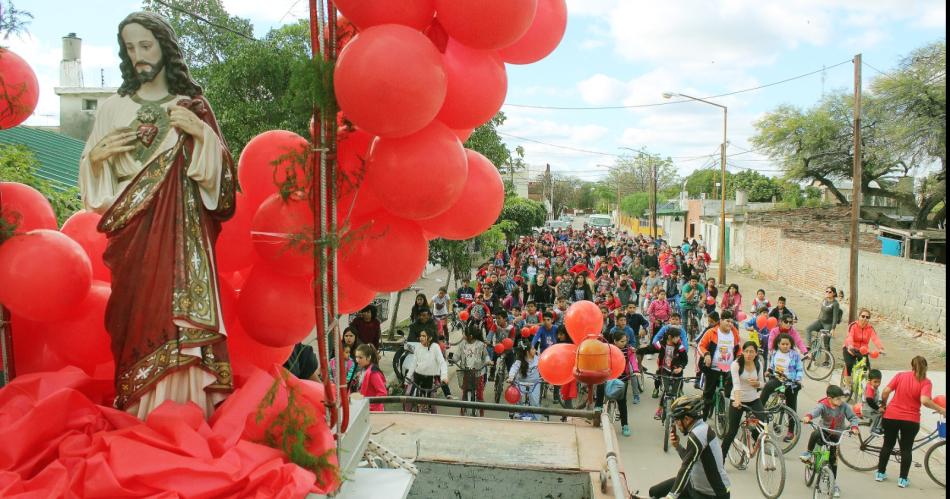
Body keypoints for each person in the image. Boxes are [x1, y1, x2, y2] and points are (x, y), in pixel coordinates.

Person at [78, 12, 237, 418]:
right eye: (130, 48)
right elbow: (95, 188)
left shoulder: (191, 107)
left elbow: (221, 185)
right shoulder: (113, 108)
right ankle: (140, 411)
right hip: (131, 238)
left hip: (181, 241)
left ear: (165, 48)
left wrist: (200, 133)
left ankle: (186, 410)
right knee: (134, 319)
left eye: (145, 46)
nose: (138, 56)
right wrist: (95, 160)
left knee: (178, 318)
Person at [875, 356, 946, 487]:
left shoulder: (900, 376)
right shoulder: (926, 382)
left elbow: (885, 391)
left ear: (911, 365)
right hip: (910, 420)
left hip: (891, 416)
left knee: (887, 445)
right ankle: (902, 480)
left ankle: (880, 473)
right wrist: (941, 409)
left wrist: (884, 404)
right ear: (926, 367)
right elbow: (925, 400)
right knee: (906, 449)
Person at [644, 394, 731, 499]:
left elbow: (686, 468)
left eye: (677, 420)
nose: (676, 424)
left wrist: (671, 496)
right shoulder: (700, 429)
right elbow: (691, 459)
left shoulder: (698, 434)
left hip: (712, 495)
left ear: (687, 419)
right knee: (654, 492)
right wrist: (677, 446)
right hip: (694, 487)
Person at [800, 385, 861, 498]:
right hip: (824, 432)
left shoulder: (844, 406)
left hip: (836, 434)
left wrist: (854, 427)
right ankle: (808, 452)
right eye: (837, 399)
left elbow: (853, 417)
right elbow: (815, 411)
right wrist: (808, 417)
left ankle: (833, 484)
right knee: (815, 433)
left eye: (841, 398)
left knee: (833, 461)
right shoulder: (823, 405)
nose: (840, 401)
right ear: (829, 399)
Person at [719, 341, 766, 461]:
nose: (749, 354)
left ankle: (755, 439)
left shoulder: (759, 364)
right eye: (746, 351)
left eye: (752, 352)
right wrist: (737, 401)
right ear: (743, 352)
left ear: (756, 353)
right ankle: (721, 459)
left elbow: (762, 383)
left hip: (753, 399)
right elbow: (736, 384)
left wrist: (757, 383)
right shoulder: (736, 364)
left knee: (763, 423)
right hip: (738, 399)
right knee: (732, 431)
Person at [760, 333, 803, 442]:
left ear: (790, 344)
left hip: (791, 382)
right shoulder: (775, 353)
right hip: (777, 379)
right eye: (783, 344)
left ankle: (791, 431)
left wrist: (798, 379)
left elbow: (799, 369)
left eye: (787, 344)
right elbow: (771, 366)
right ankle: (758, 411)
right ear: (778, 344)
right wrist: (768, 371)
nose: (785, 346)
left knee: (791, 406)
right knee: (767, 386)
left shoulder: (795, 355)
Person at [698, 318, 740, 420]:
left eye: (732, 322)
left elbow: (738, 349)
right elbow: (700, 346)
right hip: (713, 368)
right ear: (721, 321)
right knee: (708, 395)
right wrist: (706, 354)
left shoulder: (734, 333)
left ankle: (722, 419)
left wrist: (739, 358)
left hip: (728, 370)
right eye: (727, 321)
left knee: (728, 393)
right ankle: (703, 418)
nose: (730, 324)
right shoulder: (711, 332)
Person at [841, 308, 885, 392]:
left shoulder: (870, 328)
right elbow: (850, 336)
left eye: (867, 317)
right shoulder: (853, 325)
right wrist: (850, 345)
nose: (865, 318)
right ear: (859, 316)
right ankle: (847, 386)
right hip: (850, 348)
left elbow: (875, 338)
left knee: (867, 369)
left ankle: (864, 386)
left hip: (863, 350)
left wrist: (881, 348)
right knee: (849, 364)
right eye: (863, 316)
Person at [448, 325, 492, 404]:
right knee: (464, 393)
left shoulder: (480, 345)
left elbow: (486, 356)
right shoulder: (462, 344)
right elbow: (457, 356)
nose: (463, 336)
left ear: (470, 336)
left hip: (478, 372)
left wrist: (488, 361)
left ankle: (481, 409)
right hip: (466, 371)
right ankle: (463, 408)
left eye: (465, 334)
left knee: (479, 394)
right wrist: (452, 359)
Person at [652, 327, 689, 420]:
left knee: (675, 393)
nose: (678, 339)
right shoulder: (662, 344)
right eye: (676, 337)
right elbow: (651, 348)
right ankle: (659, 410)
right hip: (665, 371)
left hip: (677, 373)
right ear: (669, 337)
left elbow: (685, 360)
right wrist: (639, 351)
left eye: (679, 337)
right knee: (666, 391)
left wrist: (680, 368)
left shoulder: (680, 347)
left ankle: (676, 410)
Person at [405, 329, 448, 401]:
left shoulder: (435, 347)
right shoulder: (418, 347)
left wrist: (444, 376)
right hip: (418, 375)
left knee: (428, 398)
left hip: (429, 376)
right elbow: (413, 363)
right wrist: (408, 376)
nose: (421, 338)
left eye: (424, 336)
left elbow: (442, 362)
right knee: (411, 395)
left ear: (430, 338)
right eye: (420, 336)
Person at [507, 344, 542, 420]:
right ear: (527, 352)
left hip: (535, 384)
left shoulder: (538, 359)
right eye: (533, 349)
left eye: (535, 349)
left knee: (535, 402)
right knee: (519, 401)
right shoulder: (519, 361)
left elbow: (544, 368)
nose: (535, 350)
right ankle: (518, 415)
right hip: (520, 383)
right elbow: (514, 368)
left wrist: (546, 377)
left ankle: (536, 420)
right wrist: (511, 377)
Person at [804, 286, 843, 352]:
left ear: (833, 293)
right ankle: (808, 346)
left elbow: (835, 317)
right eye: (826, 291)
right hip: (820, 321)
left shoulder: (835, 304)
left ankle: (827, 358)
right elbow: (822, 311)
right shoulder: (824, 300)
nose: (828, 293)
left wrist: (833, 329)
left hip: (828, 324)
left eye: (830, 292)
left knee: (826, 342)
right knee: (808, 329)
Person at [354, 344, 387, 412]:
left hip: (373, 412)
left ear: (368, 358)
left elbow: (382, 393)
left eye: (360, 357)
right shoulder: (364, 369)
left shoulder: (373, 373)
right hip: (365, 409)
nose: (357, 360)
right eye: (356, 357)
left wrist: (370, 406)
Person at [863, 369, 884, 434]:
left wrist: (880, 402)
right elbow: (869, 400)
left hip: (871, 408)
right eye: (875, 382)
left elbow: (874, 398)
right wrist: (878, 408)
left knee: (883, 412)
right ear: (869, 380)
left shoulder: (873, 386)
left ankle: (879, 426)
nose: (877, 384)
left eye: (879, 382)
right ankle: (874, 429)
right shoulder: (870, 388)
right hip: (867, 410)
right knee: (878, 416)